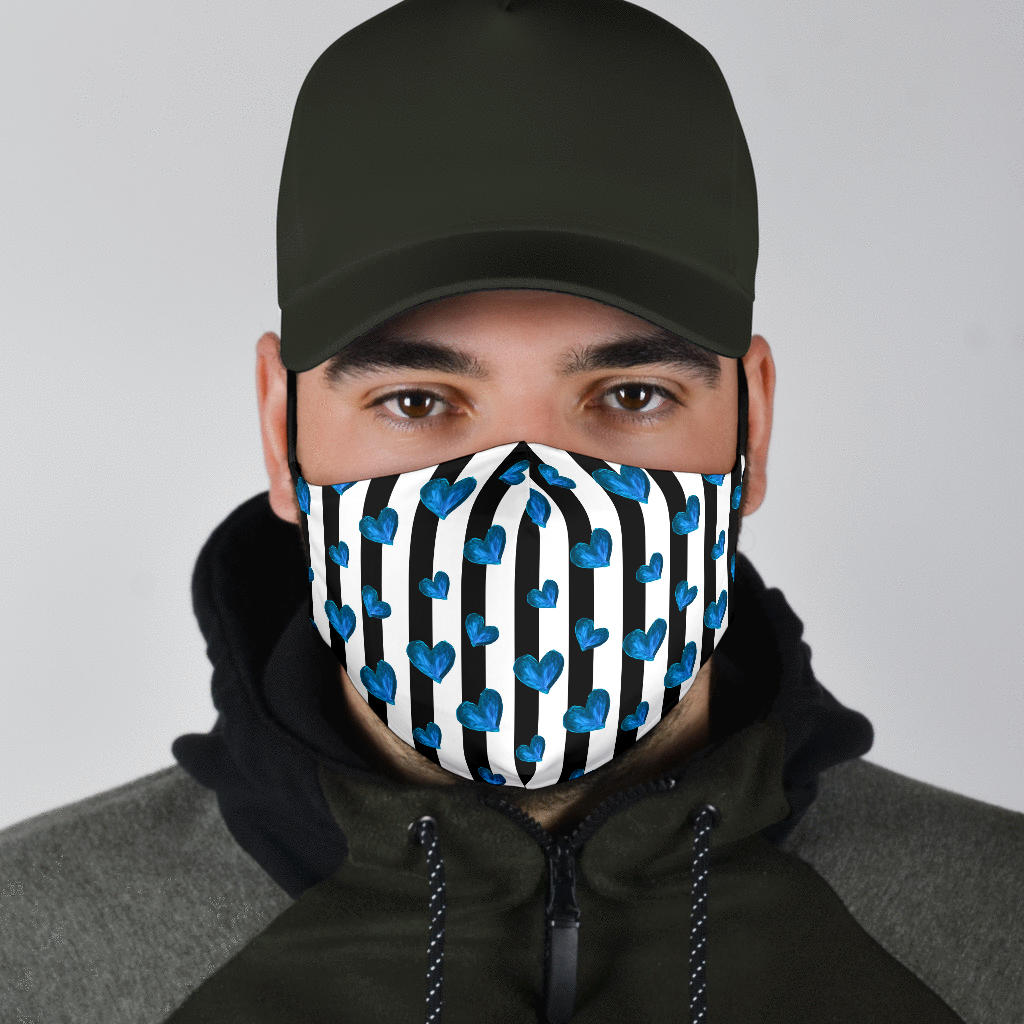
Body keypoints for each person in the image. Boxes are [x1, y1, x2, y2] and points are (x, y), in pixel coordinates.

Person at [2, 1, 1022, 1022]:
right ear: (283, 430)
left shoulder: (998, 931)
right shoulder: (28, 959)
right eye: (417, 402)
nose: (527, 501)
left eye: (631, 395)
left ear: (752, 421)